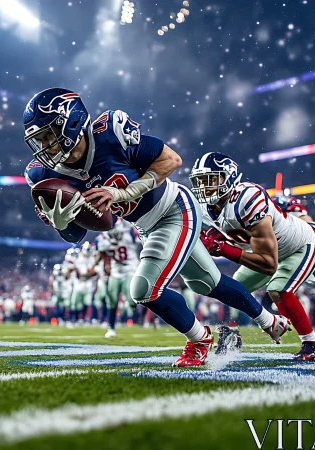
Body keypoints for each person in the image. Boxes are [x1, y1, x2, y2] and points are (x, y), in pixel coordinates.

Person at [24, 88, 289, 366]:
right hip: (146, 226)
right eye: (38, 139)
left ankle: (200, 339)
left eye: (48, 135)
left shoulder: (109, 133)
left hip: (174, 209)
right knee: (208, 283)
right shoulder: (46, 174)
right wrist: (62, 222)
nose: (44, 146)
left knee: (143, 290)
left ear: (73, 122)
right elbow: (81, 233)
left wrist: (122, 194)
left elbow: (170, 160)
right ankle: (270, 321)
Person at [189, 152, 315, 360]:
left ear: (229, 177)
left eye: (212, 180)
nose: (206, 187)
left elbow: (269, 264)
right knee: (232, 289)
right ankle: (231, 334)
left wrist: (223, 249)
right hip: (270, 252)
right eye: (202, 181)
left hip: (302, 244)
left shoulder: (247, 201)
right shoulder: (205, 208)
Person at [96, 220, 141, 338]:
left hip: (130, 270)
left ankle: (137, 315)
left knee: (132, 299)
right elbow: (101, 254)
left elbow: (142, 243)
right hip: (115, 272)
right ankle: (111, 328)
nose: (114, 235)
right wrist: (96, 267)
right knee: (112, 301)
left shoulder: (130, 233)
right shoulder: (103, 240)